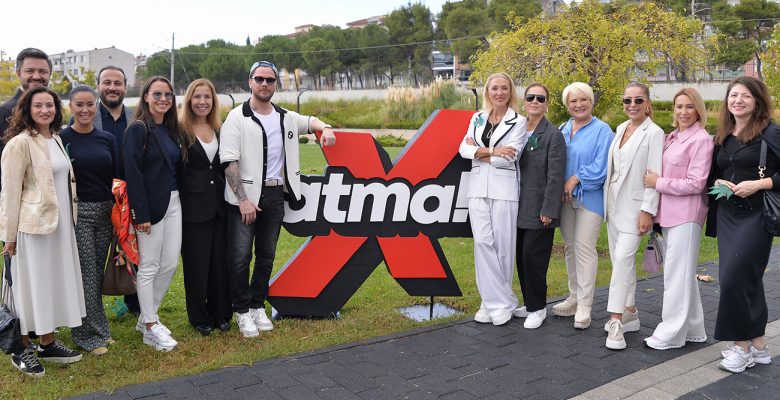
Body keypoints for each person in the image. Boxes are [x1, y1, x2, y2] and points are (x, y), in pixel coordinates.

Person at [220, 61, 336, 338]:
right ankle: (242, 310)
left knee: (266, 255)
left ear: (276, 85)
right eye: (259, 79)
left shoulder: (284, 116)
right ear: (249, 82)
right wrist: (243, 200)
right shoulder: (237, 117)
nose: (264, 84)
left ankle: (258, 304)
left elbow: (310, 122)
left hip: (274, 194)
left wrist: (327, 128)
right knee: (240, 257)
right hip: (245, 198)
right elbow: (228, 161)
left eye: (270, 80)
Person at [0, 86, 85, 377]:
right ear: (27, 109)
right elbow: (9, 194)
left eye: (49, 105)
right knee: (29, 287)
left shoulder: (56, 139)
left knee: (50, 282)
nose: (45, 110)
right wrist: (9, 238)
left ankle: (47, 342)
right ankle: (22, 348)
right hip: (33, 229)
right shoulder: (19, 144)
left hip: (60, 228)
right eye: (38, 106)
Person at [706, 76, 780, 373]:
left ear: (757, 101)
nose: (737, 100)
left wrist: (760, 183)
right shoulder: (723, 134)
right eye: (733, 95)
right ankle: (759, 345)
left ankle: (740, 348)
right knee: (746, 279)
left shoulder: (772, 133)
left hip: (757, 215)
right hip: (728, 215)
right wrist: (718, 181)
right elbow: (712, 172)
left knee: (733, 277)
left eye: (745, 96)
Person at [643, 88, 712, 350]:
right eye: (679, 106)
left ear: (698, 111)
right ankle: (694, 329)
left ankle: (670, 333)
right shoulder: (674, 137)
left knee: (676, 275)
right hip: (670, 214)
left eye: (689, 107)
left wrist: (657, 182)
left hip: (687, 215)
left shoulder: (701, 140)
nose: (683, 112)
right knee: (682, 274)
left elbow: (696, 183)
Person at [459, 72, 529, 326]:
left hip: (504, 191)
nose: (499, 93)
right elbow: (463, 149)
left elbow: (508, 157)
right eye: (494, 88)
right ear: (487, 91)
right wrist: (491, 150)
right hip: (477, 188)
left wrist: (481, 153)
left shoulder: (519, 122)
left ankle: (494, 304)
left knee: (503, 246)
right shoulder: (476, 118)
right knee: (482, 243)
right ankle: (497, 301)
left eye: (504, 88)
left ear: (511, 92)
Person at [124, 76, 188, 351]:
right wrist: (141, 213)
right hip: (150, 207)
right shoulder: (138, 129)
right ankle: (150, 326)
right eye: (158, 94)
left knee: (170, 263)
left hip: (174, 203)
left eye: (168, 95)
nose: (163, 99)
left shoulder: (171, 129)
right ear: (146, 96)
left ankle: (147, 317)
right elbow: (133, 174)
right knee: (149, 265)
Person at [603, 83, 663, 349]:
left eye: (638, 100)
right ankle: (631, 311)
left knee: (623, 260)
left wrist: (647, 210)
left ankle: (615, 320)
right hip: (613, 206)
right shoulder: (620, 129)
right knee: (620, 262)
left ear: (647, 102)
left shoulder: (655, 133)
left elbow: (654, 173)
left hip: (635, 208)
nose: (632, 105)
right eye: (627, 100)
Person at [60, 86, 118, 355]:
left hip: (106, 211)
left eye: (90, 105)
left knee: (96, 271)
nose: (85, 110)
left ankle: (100, 329)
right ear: (70, 106)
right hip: (78, 213)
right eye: (79, 105)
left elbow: (116, 177)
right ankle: (87, 336)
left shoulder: (106, 138)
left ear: (97, 106)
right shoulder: (62, 138)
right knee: (86, 274)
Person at [553, 82, 613, 329]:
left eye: (583, 100)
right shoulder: (563, 129)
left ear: (591, 102)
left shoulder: (602, 130)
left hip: (590, 197)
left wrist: (576, 178)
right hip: (565, 200)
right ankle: (574, 297)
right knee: (569, 248)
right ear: (567, 105)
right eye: (573, 101)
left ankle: (586, 306)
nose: (578, 105)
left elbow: (602, 166)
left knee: (584, 248)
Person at [179, 79, 231, 336]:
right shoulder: (179, 129)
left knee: (220, 263)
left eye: (207, 97)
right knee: (197, 265)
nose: (202, 102)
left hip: (220, 205)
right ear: (189, 99)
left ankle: (222, 313)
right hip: (192, 208)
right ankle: (199, 316)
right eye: (197, 97)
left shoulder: (220, 128)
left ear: (213, 101)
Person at [511, 83, 565, 329]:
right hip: (516, 204)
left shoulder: (553, 135)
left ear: (546, 104)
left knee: (534, 258)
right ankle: (529, 301)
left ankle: (538, 307)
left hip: (539, 208)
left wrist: (549, 210)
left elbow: (556, 176)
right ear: (524, 102)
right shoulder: (516, 130)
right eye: (530, 97)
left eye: (540, 98)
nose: (535, 101)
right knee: (521, 257)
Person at [94, 65, 139, 316]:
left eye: (118, 83)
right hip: (99, 197)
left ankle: (135, 304)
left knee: (135, 250)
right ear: (98, 85)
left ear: (125, 85)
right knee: (99, 255)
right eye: (107, 82)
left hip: (132, 195)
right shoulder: (87, 115)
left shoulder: (136, 116)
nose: (112, 87)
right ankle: (94, 311)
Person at [0, 48, 51, 192]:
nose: (36, 76)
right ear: (18, 73)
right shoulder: (4, 112)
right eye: (30, 71)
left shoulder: (53, 112)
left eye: (42, 71)